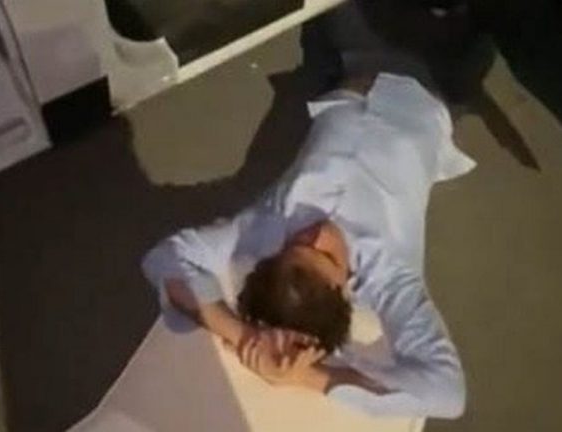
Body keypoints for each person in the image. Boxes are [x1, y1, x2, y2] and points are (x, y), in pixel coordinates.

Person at [141, 3, 476, 419]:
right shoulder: (390, 275)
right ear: (345, 289)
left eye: (299, 242)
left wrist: (243, 337)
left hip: (348, 66)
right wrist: (311, 378)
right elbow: (447, 394)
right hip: (429, 81)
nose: (319, 234)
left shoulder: (264, 228)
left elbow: (166, 259)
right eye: (328, 256)